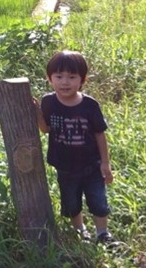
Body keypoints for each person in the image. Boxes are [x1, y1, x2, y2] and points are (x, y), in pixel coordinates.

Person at [34, 50, 114, 243]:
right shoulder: (48, 102)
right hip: (65, 166)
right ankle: (80, 231)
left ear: (82, 79)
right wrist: (37, 113)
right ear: (49, 78)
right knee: (71, 202)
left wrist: (105, 163)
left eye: (72, 77)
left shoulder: (90, 105)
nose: (65, 82)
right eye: (59, 76)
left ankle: (102, 233)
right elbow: (46, 130)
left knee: (98, 200)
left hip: (91, 166)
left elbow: (99, 134)